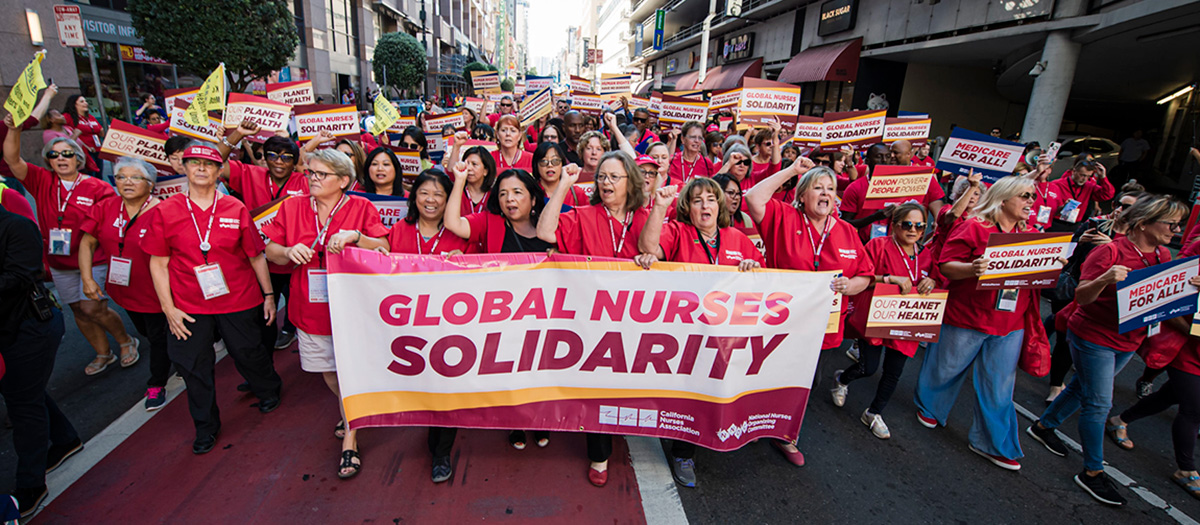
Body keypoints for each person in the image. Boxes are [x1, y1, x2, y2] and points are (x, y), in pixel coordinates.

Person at [1026, 194, 1193, 506]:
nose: (1177, 230)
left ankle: (1043, 426)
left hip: (1129, 340)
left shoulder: (1162, 256)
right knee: (1099, 403)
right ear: (1144, 223)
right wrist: (1105, 278)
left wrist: (1188, 288)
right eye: (1171, 224)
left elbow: (1163, 302)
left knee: (1079, 387)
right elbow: (1082, 296)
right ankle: (1092, 473)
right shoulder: (1109, 251)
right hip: (1094, 336)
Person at [143, 145, 283, 455]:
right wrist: (168, 308)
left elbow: (255, 256)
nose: (202, 169)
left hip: (239, 298)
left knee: (248, 351)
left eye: (210, 164)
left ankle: (268, 388)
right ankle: (206, 425)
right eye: (195, 163)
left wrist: (269, 295)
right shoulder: (166, 210)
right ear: (184, 167)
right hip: (188, 305)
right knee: (193, 367)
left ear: (220, 171)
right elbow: (158, 262)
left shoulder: (235, 207)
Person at [262, 149, 389, 479]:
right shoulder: (292, 206)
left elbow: (385, 249)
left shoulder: (361, 207)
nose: (313, 179)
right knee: (328, 370)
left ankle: (351, 435)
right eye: (311, 173)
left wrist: (357, 238)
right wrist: (288, 250)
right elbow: (270, 251)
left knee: (354, 366)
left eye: (321, 174)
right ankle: (353, 409)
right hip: (310, 304)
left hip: (355, 307)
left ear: (343, 181)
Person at [634, 177, 764, 488]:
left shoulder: (738, 238)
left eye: (710, 199)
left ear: (719, 205)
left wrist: (753, 267)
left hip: (726, 333)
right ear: (687, 208)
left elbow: (764, 279)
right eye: (696, 200)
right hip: (687, 333)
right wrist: (660, 206)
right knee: (690, 393)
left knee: (720, 389)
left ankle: (720, 432)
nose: (705, 205)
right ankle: (683, 452)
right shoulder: (679, 232)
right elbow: (648, 247)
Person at [743, 161, 873, 467]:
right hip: (778, 322)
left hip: (823, 328)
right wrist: (791, 170)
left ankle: (784, 433)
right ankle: (751, 422)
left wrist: (850, 285)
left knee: (804, 382)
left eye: (830, 189)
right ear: (802, 195)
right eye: (818, 187)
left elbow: (866, 275)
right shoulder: (784, 216)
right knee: (765, 375)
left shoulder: (846, 231)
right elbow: (753, 198)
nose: (826, 194)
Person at [913, 175, 1041, 471]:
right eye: (1024, 195)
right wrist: (972, 268)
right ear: (1004, 198)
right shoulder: (974, 227)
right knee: (946, 368)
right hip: (967, 315)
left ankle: (992, 442)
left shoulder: (1033, 235)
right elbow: (946, 265)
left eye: (1032, 196)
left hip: (1010, 322)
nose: (1030, 201)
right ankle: (930, 406)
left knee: (999, 387)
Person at [537, 151, 648, 487]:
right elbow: (545, 232)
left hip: (636, 318)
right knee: (598, 384)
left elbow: (661, 252)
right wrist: (564, 186)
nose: (606, 183)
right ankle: (599, 454)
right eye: (601, 177)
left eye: (615, 177)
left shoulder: (646, 216)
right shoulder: (584, 215)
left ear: (631, 180)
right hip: (592, 318)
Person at [3, 114, 137, 376]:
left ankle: (125, 341)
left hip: (94, 259)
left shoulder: (98, 187)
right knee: (77, 308)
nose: (61, 158)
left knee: (92, 307)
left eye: (67, 153)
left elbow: (111, 223)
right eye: (55, 155)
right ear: (48, 161)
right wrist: (14, 129)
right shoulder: (41, 180)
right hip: (59, 261)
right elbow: (12, 160)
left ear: (79, 158)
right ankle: (103, 353)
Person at [382, 169, 471, 483]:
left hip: (450, 328)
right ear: (413, 196)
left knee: (447, 390)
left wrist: (464, 262)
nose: (431, 201)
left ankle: (441, 452)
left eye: (439, 195)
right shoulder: (399, 230)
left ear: (449, 200)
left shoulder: (461, 234)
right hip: (409, 328)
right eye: (424, 193)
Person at [0, 203, 83, 518]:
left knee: (23, 403)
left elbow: (20, 277)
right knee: (21, 390)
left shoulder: (16, 226)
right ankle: (66, 439)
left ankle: (31, 484)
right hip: (9, 331)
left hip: (28, 327)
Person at [835, 202, 936, 439]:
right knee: (868, 368)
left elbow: (932, 281)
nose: (913, 231)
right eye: (907, 225)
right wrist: (888, 279)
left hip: (907, 322)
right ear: (895, 225)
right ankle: (842, 379)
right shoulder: (878, 245)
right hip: (877, 318)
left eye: (920, 227)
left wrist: (931, 282)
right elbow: (861, 277)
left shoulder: (925, 255)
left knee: (893, 372)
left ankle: (874, 412)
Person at [77, 158, 171, 410]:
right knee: (146, 331)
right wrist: (86, 278)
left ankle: (157, 383)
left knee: (158, 337)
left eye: (135, 177)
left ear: (150, 184)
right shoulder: (105, 207)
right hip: (123, 288)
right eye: (121, 177)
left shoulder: (163, 210)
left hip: (158, 291)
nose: (127, 182)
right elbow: (87, 242)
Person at [217, 120, 309, 352]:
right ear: (264, 158)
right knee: (261, 315)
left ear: (294, 161)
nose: (279, 162)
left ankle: (291, 332)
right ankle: (263, 359)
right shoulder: (250, 174)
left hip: (293, 261)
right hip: (259, 260)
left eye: (287, 157)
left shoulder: (305, 182)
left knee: (298, 308)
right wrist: (237, 135)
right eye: (273, 156)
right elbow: (216, 161)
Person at [1045, 188, 1142, 404]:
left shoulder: (1138, 241)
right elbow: (1067, 255)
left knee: (1070, 338)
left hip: (1103, 300)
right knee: (1064, 338)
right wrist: (1080, 242)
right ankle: (1055, 386)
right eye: (1119, 204)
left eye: (1128, 207)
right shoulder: (1094, 224)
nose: (1120, 210)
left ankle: (1045, 328)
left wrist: (1112, 248)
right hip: (1073, 288)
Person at [841, 143, 945, 242]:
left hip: (898, 246)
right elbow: (844, 223)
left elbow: (937, 211)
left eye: (887, 156)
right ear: (867, 160)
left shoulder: (905, 183)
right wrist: (874, 217)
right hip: (863, 245)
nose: (884, 160)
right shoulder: (855, 187)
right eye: (879, 156)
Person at [1047, 159, 1114, 226]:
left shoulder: (1089, 186)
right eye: (1083, 175)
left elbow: (1107, 194)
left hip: (1075, 224)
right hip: (1056, 222)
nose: (1084, 179)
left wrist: (1103, 177)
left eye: (1088, 176)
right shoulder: (1057, 184)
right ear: (1073, 171)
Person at [41, 109, 99, 174]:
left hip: (82, 163)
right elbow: (62, 148)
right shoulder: (49, 134)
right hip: (69, 167)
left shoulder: (67, 128)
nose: (62, 116)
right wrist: (75, 135)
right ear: (51, 120)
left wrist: (88, 148)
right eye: (58, 115)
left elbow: (78, 141)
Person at [533, 141, 589, 207]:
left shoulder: (576, 193)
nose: (550, 165)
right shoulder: (531, 192)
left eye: (555, 161)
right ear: (536, 165)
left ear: (562, 164)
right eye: (544, 161)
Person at [62, 95, 104, 176]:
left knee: (99, 175)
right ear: (74, 104)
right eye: (82, 101)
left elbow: (101, 133)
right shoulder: (67, 117)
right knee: (90, 175)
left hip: (97, 149)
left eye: (86, 101)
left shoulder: (91, 117)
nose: (86, 103)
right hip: (83, 151)